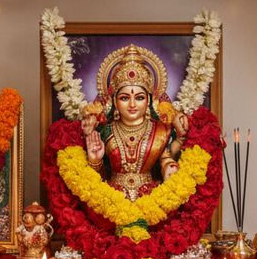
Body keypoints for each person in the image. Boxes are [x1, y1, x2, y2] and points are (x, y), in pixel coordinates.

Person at [81, 45, 189, 203]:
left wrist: (169, 167)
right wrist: (94, 160)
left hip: (150, 200)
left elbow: (165, 159)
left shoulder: (162, 130)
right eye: (124, 98)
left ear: (148, 101)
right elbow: (97, 180)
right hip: (112, 201)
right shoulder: (104, 130)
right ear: (115, 102)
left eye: (139, 98)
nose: (132, 104)